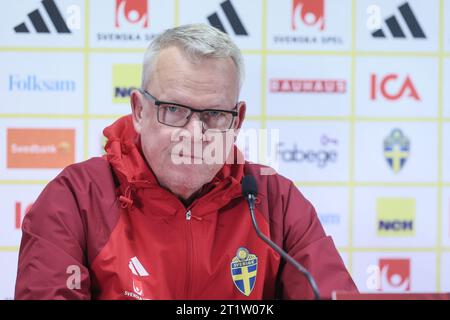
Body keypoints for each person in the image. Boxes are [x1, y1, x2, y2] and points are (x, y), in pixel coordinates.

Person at [15, 24, 357, 300]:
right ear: (139, 110)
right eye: (174, 110)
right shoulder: (75, 198)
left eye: (214, 114)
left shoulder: (276, 202)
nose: (195, 134)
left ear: (236, 121)